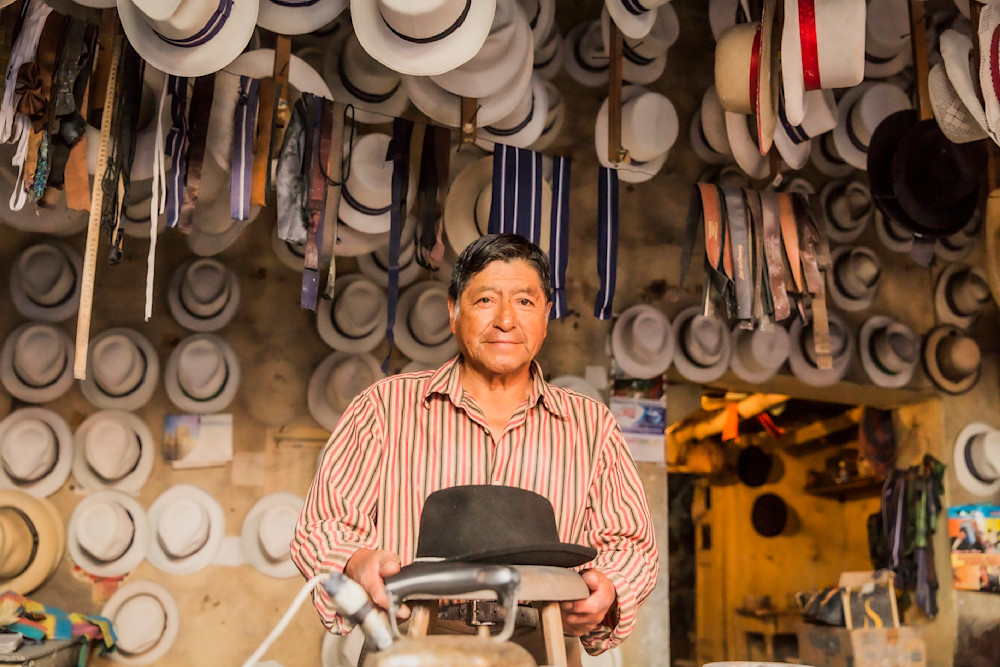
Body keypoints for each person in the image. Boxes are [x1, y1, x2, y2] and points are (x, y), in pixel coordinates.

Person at [291, 233, 658, 660]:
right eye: (485, 300)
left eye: (524, 301)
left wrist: (609, 588)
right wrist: (357, 563)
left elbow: (631, 544)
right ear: (453, 311)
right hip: (413, 642)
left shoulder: (591, 425)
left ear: (546, 315)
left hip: (545, 642)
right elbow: (323, 525)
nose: (505, 320)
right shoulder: (384, 408)